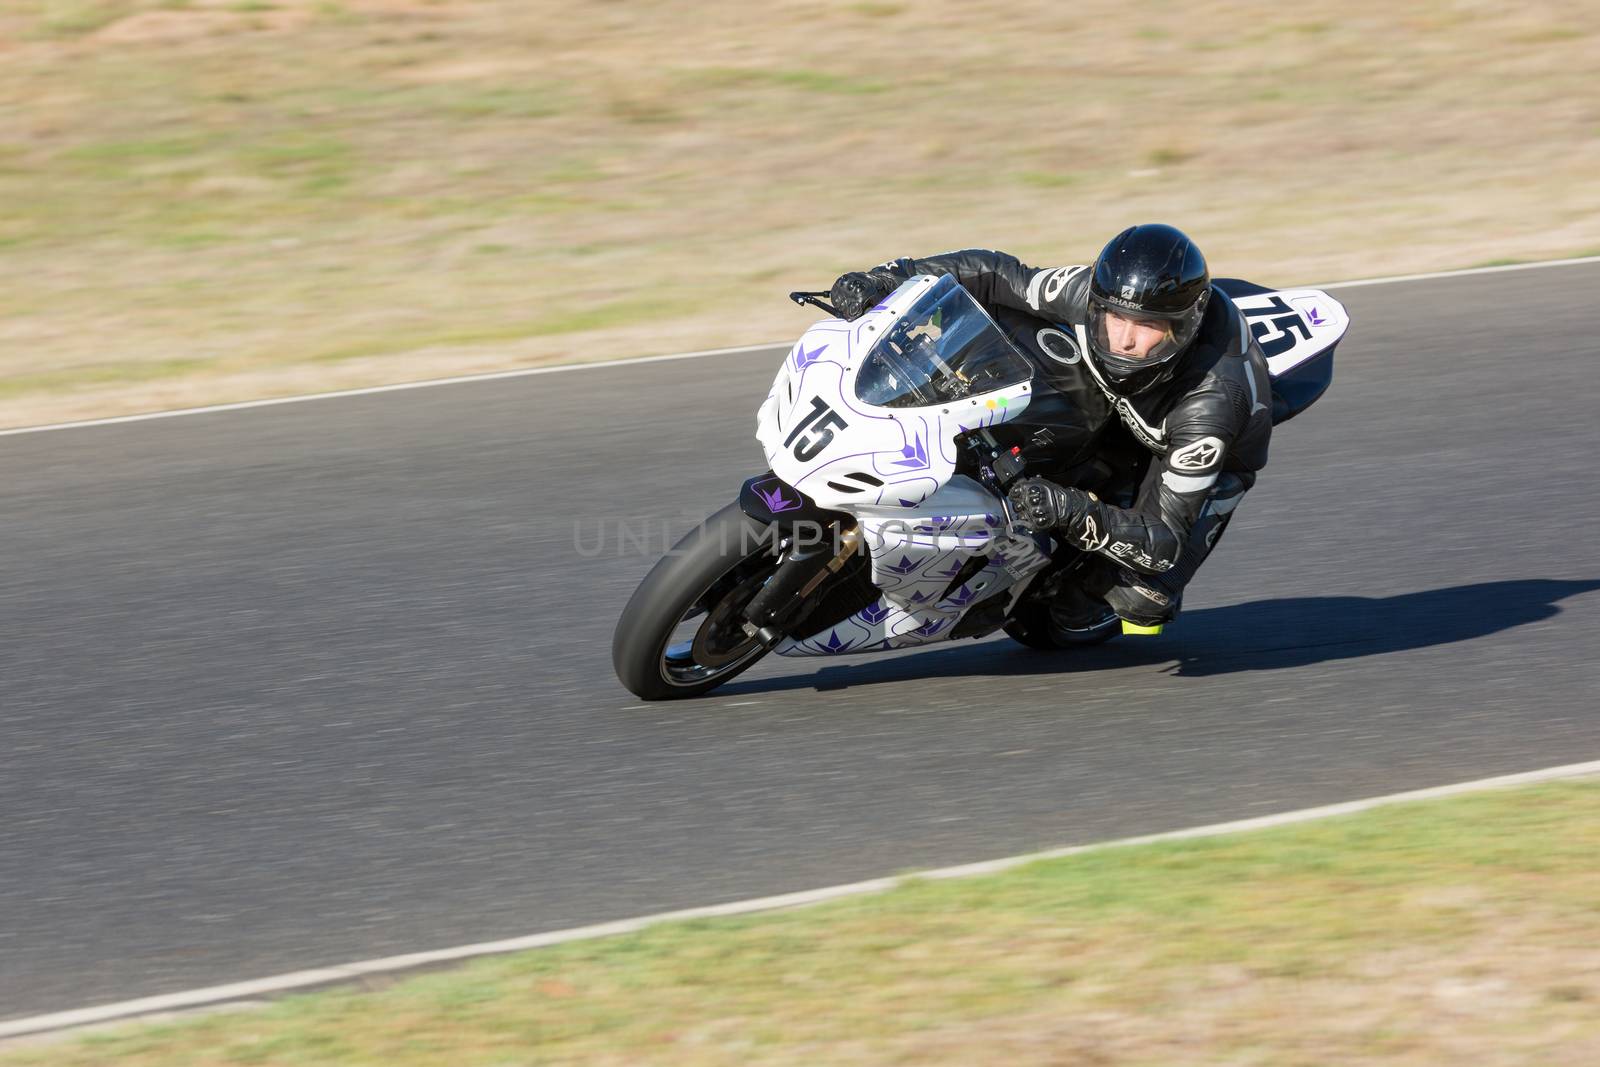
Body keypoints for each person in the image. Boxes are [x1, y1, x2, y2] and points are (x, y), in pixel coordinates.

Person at [828, 224, 1274, 633]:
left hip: (1182, 445)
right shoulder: (1087, 294)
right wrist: (892, 278)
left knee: (1141, 596)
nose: (1122, 340)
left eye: (1147, 327)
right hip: (1111, 401)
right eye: (1114, 318)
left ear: (1183, 329)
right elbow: (998, 274)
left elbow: (1163, 541)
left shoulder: (1208, 411)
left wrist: (1073, 510)